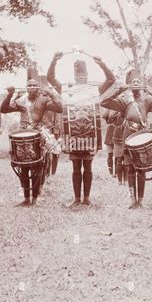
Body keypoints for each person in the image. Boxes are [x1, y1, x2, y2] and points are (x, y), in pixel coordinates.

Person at [47, 52, 115, 206]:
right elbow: (51, 79)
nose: (81, 77)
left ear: (87, 74)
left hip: (90, 133)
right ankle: (77, 199)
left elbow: (111, 80)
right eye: (78, 74)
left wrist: (102, 64)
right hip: (73, 135)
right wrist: (54, 61)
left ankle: (87, 199)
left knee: (88, 166)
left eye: (84, 74)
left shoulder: (93, 89)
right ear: (74, 75)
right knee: (76, 167)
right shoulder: (67, 90)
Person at [101, 69, 152, 209]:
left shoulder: (148, 99)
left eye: (138, 81)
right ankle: (132, 200)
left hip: (143, 136)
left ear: (142, 83)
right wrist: (119, 90)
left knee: (142, 168)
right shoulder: (124, 100)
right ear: (129, 84)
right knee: (130, 168)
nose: (136, 83)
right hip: (128, 135)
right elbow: (104, 102)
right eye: (133, 82)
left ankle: (141, 201)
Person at [1, 75, 63, 206]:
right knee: (22, 166)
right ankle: (26, 198)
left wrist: (51, 93)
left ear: (38, 88)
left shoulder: (43, 100)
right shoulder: (21, 100)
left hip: (37, 133)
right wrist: (10, 95)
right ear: (26, 88)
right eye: (29, 86)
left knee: (37, 166)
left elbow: (59, 108)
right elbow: (4, 109)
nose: (31, 88)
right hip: (23, 133)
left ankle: (34, 198)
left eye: (34, 86)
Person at [102, 108, 119, 176]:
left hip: (117, 133)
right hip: (109, 133)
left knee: (117, 155)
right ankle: (111, 172)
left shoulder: (119, 109)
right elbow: (104, 116)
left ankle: (117, 172)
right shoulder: (109, 109)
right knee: (110, 154)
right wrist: (109, 108)